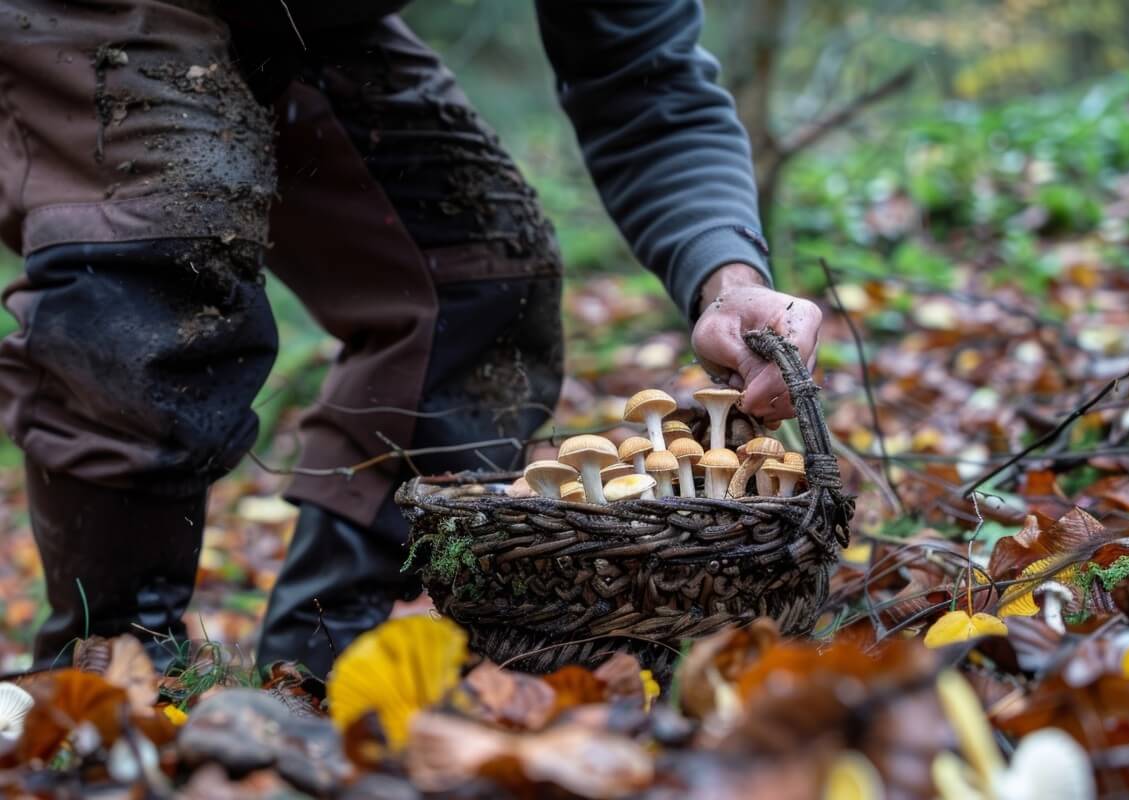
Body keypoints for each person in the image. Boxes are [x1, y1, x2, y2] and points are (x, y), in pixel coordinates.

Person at [0, 0, 823, 677]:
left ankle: (326, 660)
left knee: (479, 276)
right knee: (153, 262)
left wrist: (730, 279)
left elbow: (648, 86)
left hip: (306, 20)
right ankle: (107, 682)